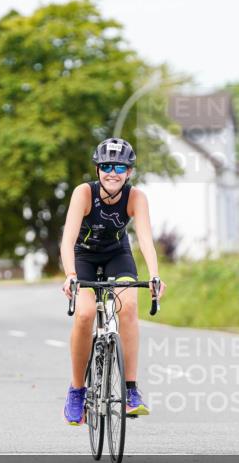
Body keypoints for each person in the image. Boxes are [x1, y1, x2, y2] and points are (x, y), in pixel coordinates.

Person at [60, 137, 167, 426]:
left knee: (128, 307)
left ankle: (131, 391)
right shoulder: (84, 193)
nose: (112, 172)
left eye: (119, 167)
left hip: (117, 255)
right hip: (84, 257)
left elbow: (145, 239)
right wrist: (71, 275)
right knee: (84, 314)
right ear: (97, 170)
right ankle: (77, 391)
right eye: (106, 166)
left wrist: (155, 275)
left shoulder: (136, 198)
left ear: (129, 172)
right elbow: (68, 239)